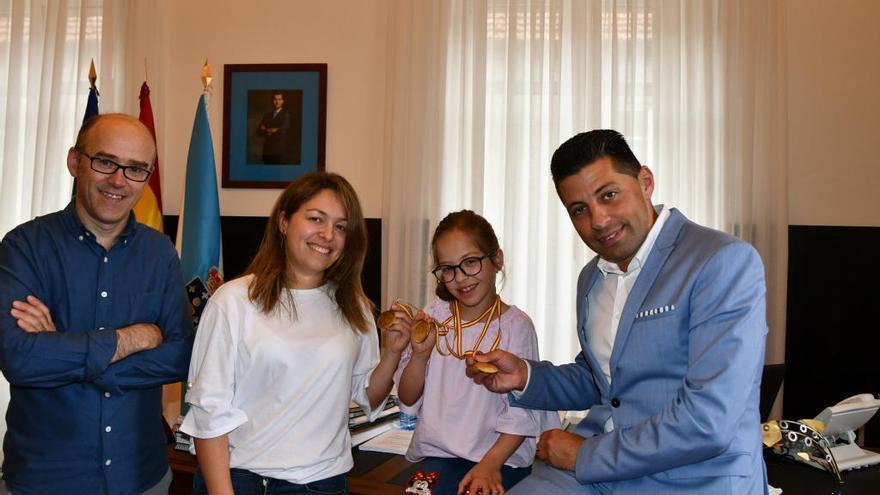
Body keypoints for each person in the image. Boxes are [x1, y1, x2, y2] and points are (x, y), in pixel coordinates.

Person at [467, 130, 769, 494]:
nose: (598, 220)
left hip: (693, 478)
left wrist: (586, 454)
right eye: (579, 210)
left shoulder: (720, 261)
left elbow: (708, 422)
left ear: (645, 181)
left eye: (608, 195)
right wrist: (525, 377)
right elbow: (606, 381)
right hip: (595, 478)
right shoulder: (591, 277)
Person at [0, 113, 195, 494]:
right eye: (105, 162)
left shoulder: (160, 253)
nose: (119, 180)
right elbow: (19, 360)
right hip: (45, 479)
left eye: (136, 168)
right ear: (75, 162)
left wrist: (64, 354)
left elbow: (180, 355)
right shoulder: (23, 247)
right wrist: (133, 339)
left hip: (142, 478)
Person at [180, 172, 408, 495]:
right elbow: (208, 411)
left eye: (341, 227)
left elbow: (367, 396)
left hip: (322, 483)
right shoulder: (234, 300)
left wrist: (393, 354)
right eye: (316, 219)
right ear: (284, 223)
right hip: (240, 481)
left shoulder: (353, 305)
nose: (328, 234)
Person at [391, 210, 557, 495]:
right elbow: (407, 397)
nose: (461, 278)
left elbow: (522, 413)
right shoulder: (433, 316)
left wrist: (489, 465)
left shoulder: (515, 326)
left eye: (470, 262)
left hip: (499, 458)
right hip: (441, 455)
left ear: (497, 260)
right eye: (448, 268)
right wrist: (419, 355)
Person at [257, 91, 291, 164]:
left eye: (279, 99)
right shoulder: (267, 115)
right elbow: (259, 131)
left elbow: (281, 132)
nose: (277, 102)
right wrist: (273, 130)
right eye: (275, 99)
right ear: (273, 101)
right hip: (267, 152)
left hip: (279, 153)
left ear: (282, 101)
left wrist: (266, 129)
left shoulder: (286, 115)